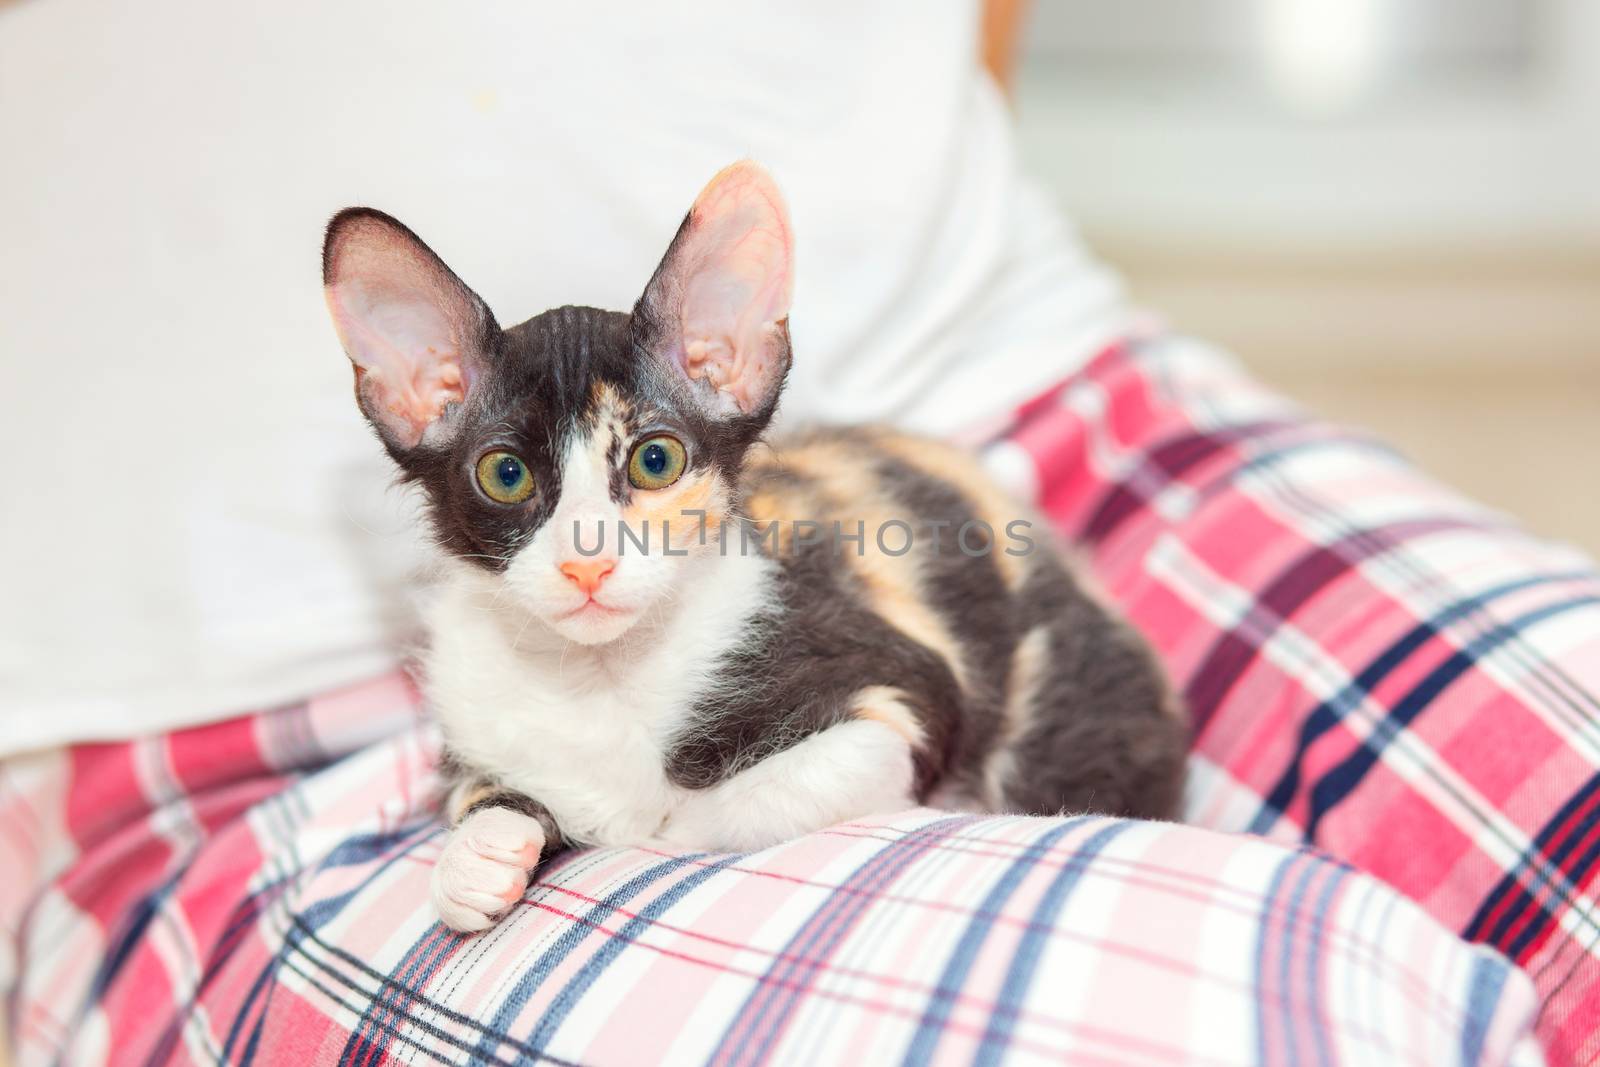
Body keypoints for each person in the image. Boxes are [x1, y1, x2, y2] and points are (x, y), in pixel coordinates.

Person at [1, 2, 1594, 1063]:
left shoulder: (747, 616)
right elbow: (515, 775)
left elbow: (903, 720)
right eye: (509, 484)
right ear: (413, 400)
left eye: (639, 477)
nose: (585, 553)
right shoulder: (486, 662)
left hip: (1012, 681)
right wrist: (501, 819)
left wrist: (665, 837)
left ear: (731, 364)